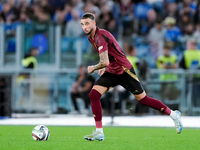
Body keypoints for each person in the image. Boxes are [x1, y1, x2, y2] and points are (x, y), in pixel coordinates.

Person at [80, 12, 183, 141]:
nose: (85, 27)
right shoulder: (91, 37)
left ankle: (174, 115)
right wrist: (104, 67)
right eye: (82, 24)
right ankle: (99, 132)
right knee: (93, 95)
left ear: (94, 23)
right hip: (111, 71)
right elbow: (109, 56)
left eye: (87, 23)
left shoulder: (101, 36)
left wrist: (94, 67)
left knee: (143, 99)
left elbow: (105, 60)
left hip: (124, 71)